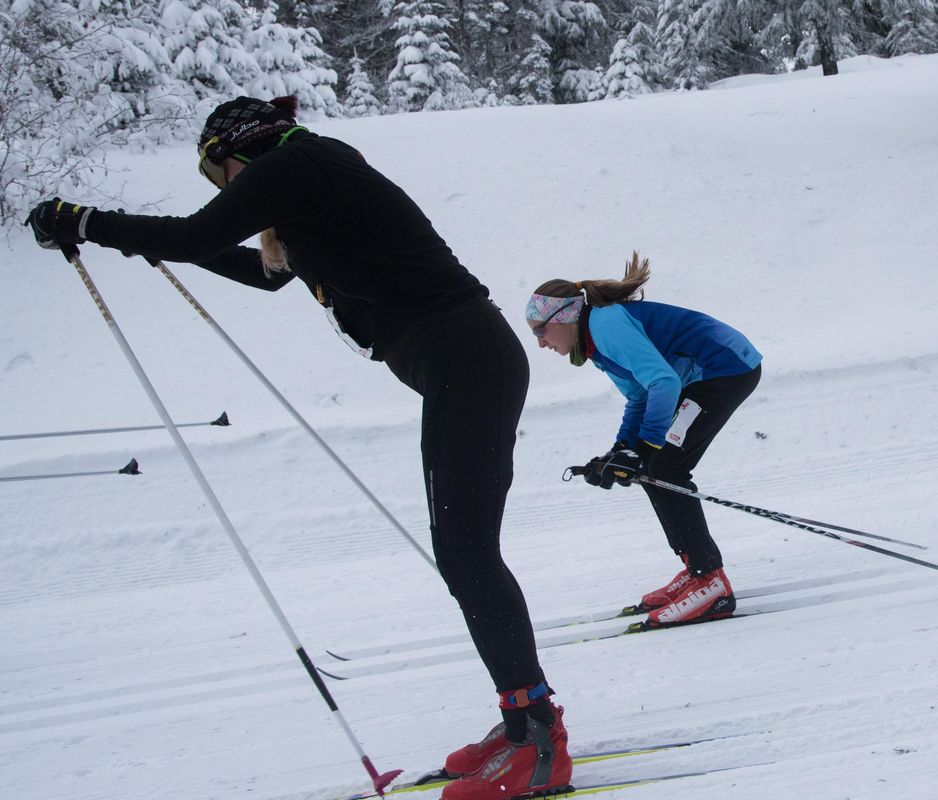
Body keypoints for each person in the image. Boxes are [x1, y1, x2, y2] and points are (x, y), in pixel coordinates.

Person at [25, 95, 570, 800]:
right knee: (463, 552)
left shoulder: (300, 160)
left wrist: (88, 223)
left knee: (466, 553)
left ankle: (539, 738)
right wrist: (136, 239)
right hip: (460, 359)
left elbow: (196, 236)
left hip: (468, 356)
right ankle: (521, 719)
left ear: (235, 150)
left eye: (220, 176)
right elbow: (262, 273)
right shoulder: (310, 181)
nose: (227, 193)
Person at [526, 252, 762, 627]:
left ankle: (711, 582)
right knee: (652, 467)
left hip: (725, 369)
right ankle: (697, 570)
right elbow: (639, 397)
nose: (539, 342)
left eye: (540, 330)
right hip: (708, 375)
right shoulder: (593, 342)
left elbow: (664, 383)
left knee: (666, 465)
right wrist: (622, 451)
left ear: (565, 316)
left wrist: (645, 446)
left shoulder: (605, 326)